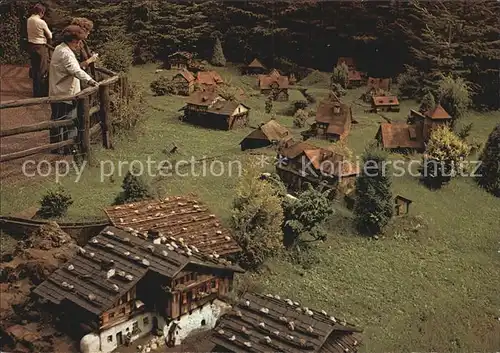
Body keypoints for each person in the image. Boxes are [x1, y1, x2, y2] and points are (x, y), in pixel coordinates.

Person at [48, 25, 98, 153]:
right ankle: (67, 149)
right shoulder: (66, 54)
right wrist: (91, 81)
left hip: (58, 91)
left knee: (58, 121)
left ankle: (58, 148)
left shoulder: (60, 48)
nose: (79, 44)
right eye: (78, 41)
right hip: (64, 93)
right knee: (68, 121)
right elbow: (75, 70)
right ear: (73, 41)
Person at [27, 3, 52, 97]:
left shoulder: (29, 20)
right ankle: (41, 93)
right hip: (40, 46)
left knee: (34, 69)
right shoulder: (41, 22)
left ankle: (35, 91)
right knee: (42, 70)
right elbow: (50, 35)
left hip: (31, 45)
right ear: (41, 12)